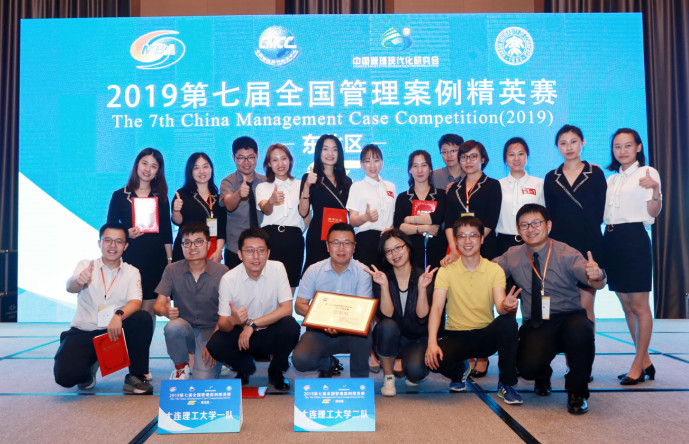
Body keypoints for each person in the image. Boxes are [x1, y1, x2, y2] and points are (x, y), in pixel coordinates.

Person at [494, 204, 606, 414]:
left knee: (583, 331)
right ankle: (542, 375)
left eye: (536, 223)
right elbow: (486, 270)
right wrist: (460, 261)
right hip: (537, 321)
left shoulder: (567, 253)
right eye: (524, 225)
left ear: (548, 225)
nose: (530, 229)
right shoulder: (512, 255)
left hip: (569, 316)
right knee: (526, 368)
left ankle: (577, 391)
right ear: (518, 230)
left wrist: (598, 274)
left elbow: (594, 281)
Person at [404, 217, 522, 405]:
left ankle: (506, 384)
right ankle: (459, 372)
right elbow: (437, 308)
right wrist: (432, 343)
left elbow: (500, 306)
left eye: (473, 236)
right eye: (462, 236)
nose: (468, 241)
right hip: (456, 334)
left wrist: (506, 305)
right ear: (456, 241)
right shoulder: (446, 271)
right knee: (433, 360)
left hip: (485, 334)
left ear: (481, 239)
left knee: (508, 322)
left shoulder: (494, 270)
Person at [54, 222, 153, 394]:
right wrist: (79, 280)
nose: (112, 245)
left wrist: (118, 315)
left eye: (118, 241)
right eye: (107, 240)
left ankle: (136, 377)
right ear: (99, 243)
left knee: (142, 318)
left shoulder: (132, 271)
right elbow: (70, 287)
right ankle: (87, 371)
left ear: (126, 246)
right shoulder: (86, 265)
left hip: (114, 332)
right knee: (65, 377)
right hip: (85, 331)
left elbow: (135, 302)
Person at [206, 228, 300, 392]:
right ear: (240, 254)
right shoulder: (228, 279)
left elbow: (286, 309)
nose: (256, 256)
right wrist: (233, 321)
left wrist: (253, 324)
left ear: (268, 253)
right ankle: (245, 367)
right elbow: (223, 323)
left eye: (261, 251)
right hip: (241, 336)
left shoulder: (278, 269)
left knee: (291, 326)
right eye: (249, 251)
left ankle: (276, 371)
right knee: (215, 344)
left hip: (270, 332)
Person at [603, 128, 662, 385]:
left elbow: (653, 212)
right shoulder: (612, 179)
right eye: (617, 146)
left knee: (639, 306)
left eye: (628, 145)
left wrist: (656, 191)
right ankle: (646, 361)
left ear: (638, 147)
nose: (622, 150)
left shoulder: (647, 173)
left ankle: (637, 365)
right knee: (626, 306)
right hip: (611, 239)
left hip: (634, 239)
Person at [292, 223, 373, 378]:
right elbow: (299, 305)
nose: (341, 248)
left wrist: (337, 322)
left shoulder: (363, 272)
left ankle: (360, 381)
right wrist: (325, 320)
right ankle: (328, 363)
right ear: (328, 246)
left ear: (354, 247)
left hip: (352, 332)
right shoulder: (314, 270)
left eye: (347, 243)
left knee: (365, 333)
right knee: (301, 360)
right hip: (319, 331)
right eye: (336, 242)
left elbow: (363, 311)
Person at [544, 125, 606, 323]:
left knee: (586, 306)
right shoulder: (551, 177)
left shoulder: (595, 173)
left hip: (589, 244)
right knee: (561, 306)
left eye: (573, 142)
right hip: (560, 246)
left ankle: (586, 344)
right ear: (557, 147)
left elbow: (602, 210)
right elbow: (549, 214)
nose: (569, 147)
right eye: (563, 143)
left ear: (583, 143)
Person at [364, 229, 437, 396]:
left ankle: (410, 369)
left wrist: (421, 289)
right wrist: (384, 286)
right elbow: (387, 316)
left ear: (408, 248)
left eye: (398, 247)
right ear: (385, 256)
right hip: (391, 337)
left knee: (415, 371)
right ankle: (388, 377)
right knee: (387, 326)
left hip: (417, 338)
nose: (395, 254)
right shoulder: (382, 277)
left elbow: (422, 317)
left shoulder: (424, 276)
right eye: (389, 251)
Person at [153, 223, 229, 380]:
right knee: (173, 327)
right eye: (187, 242)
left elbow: (227, 314)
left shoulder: (222, 272)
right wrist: (165, 311)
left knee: (202, 381)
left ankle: (219, 360)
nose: (192, 247)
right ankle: (181, 366)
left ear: (208, 245)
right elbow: (158, 306)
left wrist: (214, 344)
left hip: (212, 331)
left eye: (198, 242)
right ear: (182, 246)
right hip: (185, 329)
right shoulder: (171, 270)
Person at [107, 148, 172, 324]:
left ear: (158, 171)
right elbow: (109, 228)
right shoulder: (119, 195)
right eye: (145, 163)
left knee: (149, 309)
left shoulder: (161, 197)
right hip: (129, 258)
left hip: (154, 259)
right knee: (128, 307)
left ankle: (145, 342)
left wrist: (169, 261)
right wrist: (126, 234)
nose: (148, 169)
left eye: (154, 166)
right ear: (137, 164)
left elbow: (166, 232)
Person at [256, 143, 307, 292]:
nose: (280, 164)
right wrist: (271, 200)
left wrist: (299, 231)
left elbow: (306, 213)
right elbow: (266, 210)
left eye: (284, 158)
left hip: (294, 239)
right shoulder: (262, 187)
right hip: (271, 238)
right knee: (268, 286)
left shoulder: (300, 185)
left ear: (290, 160)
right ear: (269, 164)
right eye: (275, 160)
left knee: (291, 284)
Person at [299, 134, 352, 274]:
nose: (330, 153)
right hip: (318, 235)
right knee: (315, 275)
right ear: (319, 152)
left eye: (334, 149)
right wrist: (307, 186)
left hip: (340, 236)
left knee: (340, 274)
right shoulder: (310, 178)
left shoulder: (346, 181)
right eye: (325, 149)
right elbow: (303, 212)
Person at [444, 140, 502, 264]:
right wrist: (455, 249)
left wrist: (470, 243)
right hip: (458, 249)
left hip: (485, 247)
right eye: (464, 157)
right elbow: (448, 222)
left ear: (483, 159)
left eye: (473, 156)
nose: (468, 161)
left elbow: (491, 221)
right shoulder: (454, 188)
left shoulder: (492, 185)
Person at [393, 150, 448, 269]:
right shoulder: (403, 198)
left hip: (438, 252)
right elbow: (399, 228)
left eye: (424, 165)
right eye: (415, 166)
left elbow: (437, 218)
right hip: (411, 254)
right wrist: (426, 228)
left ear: (430, 169)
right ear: (409, 170)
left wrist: (409, 220)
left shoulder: (441, 195)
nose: (419, 170)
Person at [220, 136, 267, 269]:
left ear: (257, 156)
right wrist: (239, 194)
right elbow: (229, 205)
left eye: (250, 157)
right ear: (233, 158)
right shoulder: (228, 182)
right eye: (241, 158)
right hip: (236, 249)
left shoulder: (265, 182)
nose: (246, 162)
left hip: (262, 248)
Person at [171, 152, 226, 263]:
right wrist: (176, 210)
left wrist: (218, 251)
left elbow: (222, 229)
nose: (202, 171)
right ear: (190, 172)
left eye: (205, 167)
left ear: (211, 169)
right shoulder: (182, 194)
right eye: (196, 168)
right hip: (186, 252)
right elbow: (178, 221)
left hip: (211, 252)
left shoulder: (217, 197)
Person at [347, 144, 396, 269]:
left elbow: (396, 216)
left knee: (388, 277)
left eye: (376, 160)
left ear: (382, 162)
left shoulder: (390, 186)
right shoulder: (357, 187)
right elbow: (352, 221)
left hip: (389, 241)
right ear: (361, 164)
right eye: (367, 161)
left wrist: (392, 228)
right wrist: (366, 217)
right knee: (366, 278)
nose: (372, 165)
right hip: (366, 241)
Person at [496, 137, 545, 256]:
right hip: (503, 243)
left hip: (533, 241)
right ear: (505, 158)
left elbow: (545, 214)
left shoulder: (539, 183)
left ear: (527, 156)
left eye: (521, 154)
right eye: (511, 154)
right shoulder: (497, 185)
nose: (516, 158)